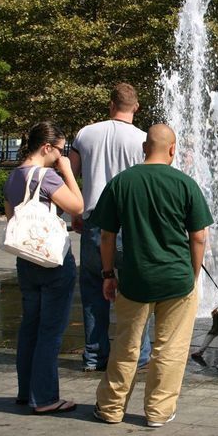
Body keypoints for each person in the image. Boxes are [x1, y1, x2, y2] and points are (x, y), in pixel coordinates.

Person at [91, 124, 212, 427]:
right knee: (170, 348)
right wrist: (193, 275)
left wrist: (108, 274)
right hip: (176, 279)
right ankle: (158, 412)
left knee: (126, 346)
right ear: (173, 149)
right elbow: (199, 237)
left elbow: (106, 236)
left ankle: (110, 409)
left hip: (134, 279)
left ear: (145, 148)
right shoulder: (185, 184)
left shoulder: (122, 183)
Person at [3, 121, 84, 414]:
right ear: (47, 147)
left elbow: (12, 219)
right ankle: (46, 398)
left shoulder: (13, 177)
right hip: (52, 261)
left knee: (30, 327)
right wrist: (66, 171)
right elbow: (77, 205)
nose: (61, 155)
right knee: (51, 330)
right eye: (60, 150)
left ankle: (26, 391)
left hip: (26, 259)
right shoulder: (47, 176)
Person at [69, 83, 150, 372]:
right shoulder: (143, 139)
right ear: (136, 107)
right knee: (137, 291)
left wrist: (76, 212)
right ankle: (139, 355)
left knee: (93, 290)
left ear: (110, 104)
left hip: (94, 222)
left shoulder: (85, 134)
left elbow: (70, 175)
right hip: (131, 225)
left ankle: (95, 356)